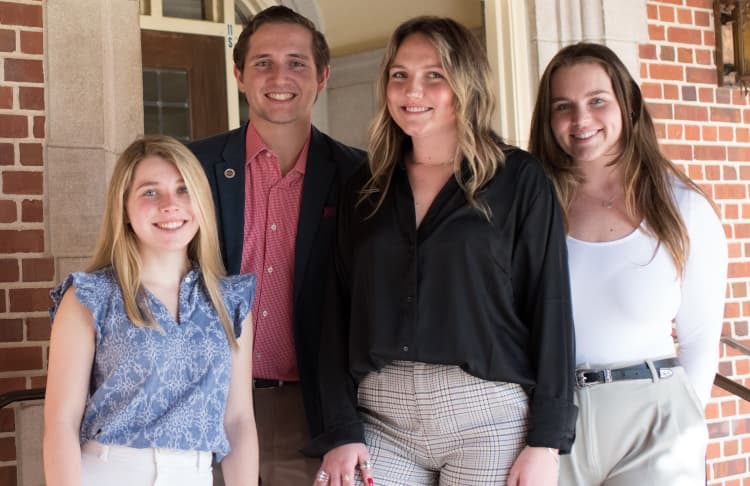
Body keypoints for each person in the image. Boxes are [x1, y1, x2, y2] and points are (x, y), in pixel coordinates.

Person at [306, 16, 577, 486]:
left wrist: (547, 441)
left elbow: (550, 308)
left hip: (487, 414)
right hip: (380, 416)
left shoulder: (519, 180)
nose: (414, 90)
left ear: (465, 83)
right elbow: (336, 314)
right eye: (400, 75)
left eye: (435, 75)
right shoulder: (363, 189)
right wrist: (339, 430)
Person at [529, 42, 728, 485]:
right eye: (564, 106)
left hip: (655, 421)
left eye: (597, 100)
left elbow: (698, 340)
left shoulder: (683, 209)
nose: (581, 120)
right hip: (552, 423)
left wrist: (683, 428)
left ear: (629, 103)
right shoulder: (532, 209)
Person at [188, 5, 365, 484]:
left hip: (309, 413)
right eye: (263, 62)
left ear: (323, 76)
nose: (279, 76)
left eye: (297, 62)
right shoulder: (193, 167)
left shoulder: (361, 178)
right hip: (207, 407)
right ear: (239, 74)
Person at [43, 135, 259, 486]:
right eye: (150, 192)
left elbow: (238, 421)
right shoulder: (90, 296)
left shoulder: (230, 301)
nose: (170, 205)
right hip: (108, 474)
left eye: (183, 189)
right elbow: (61, 422)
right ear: (124, 209)